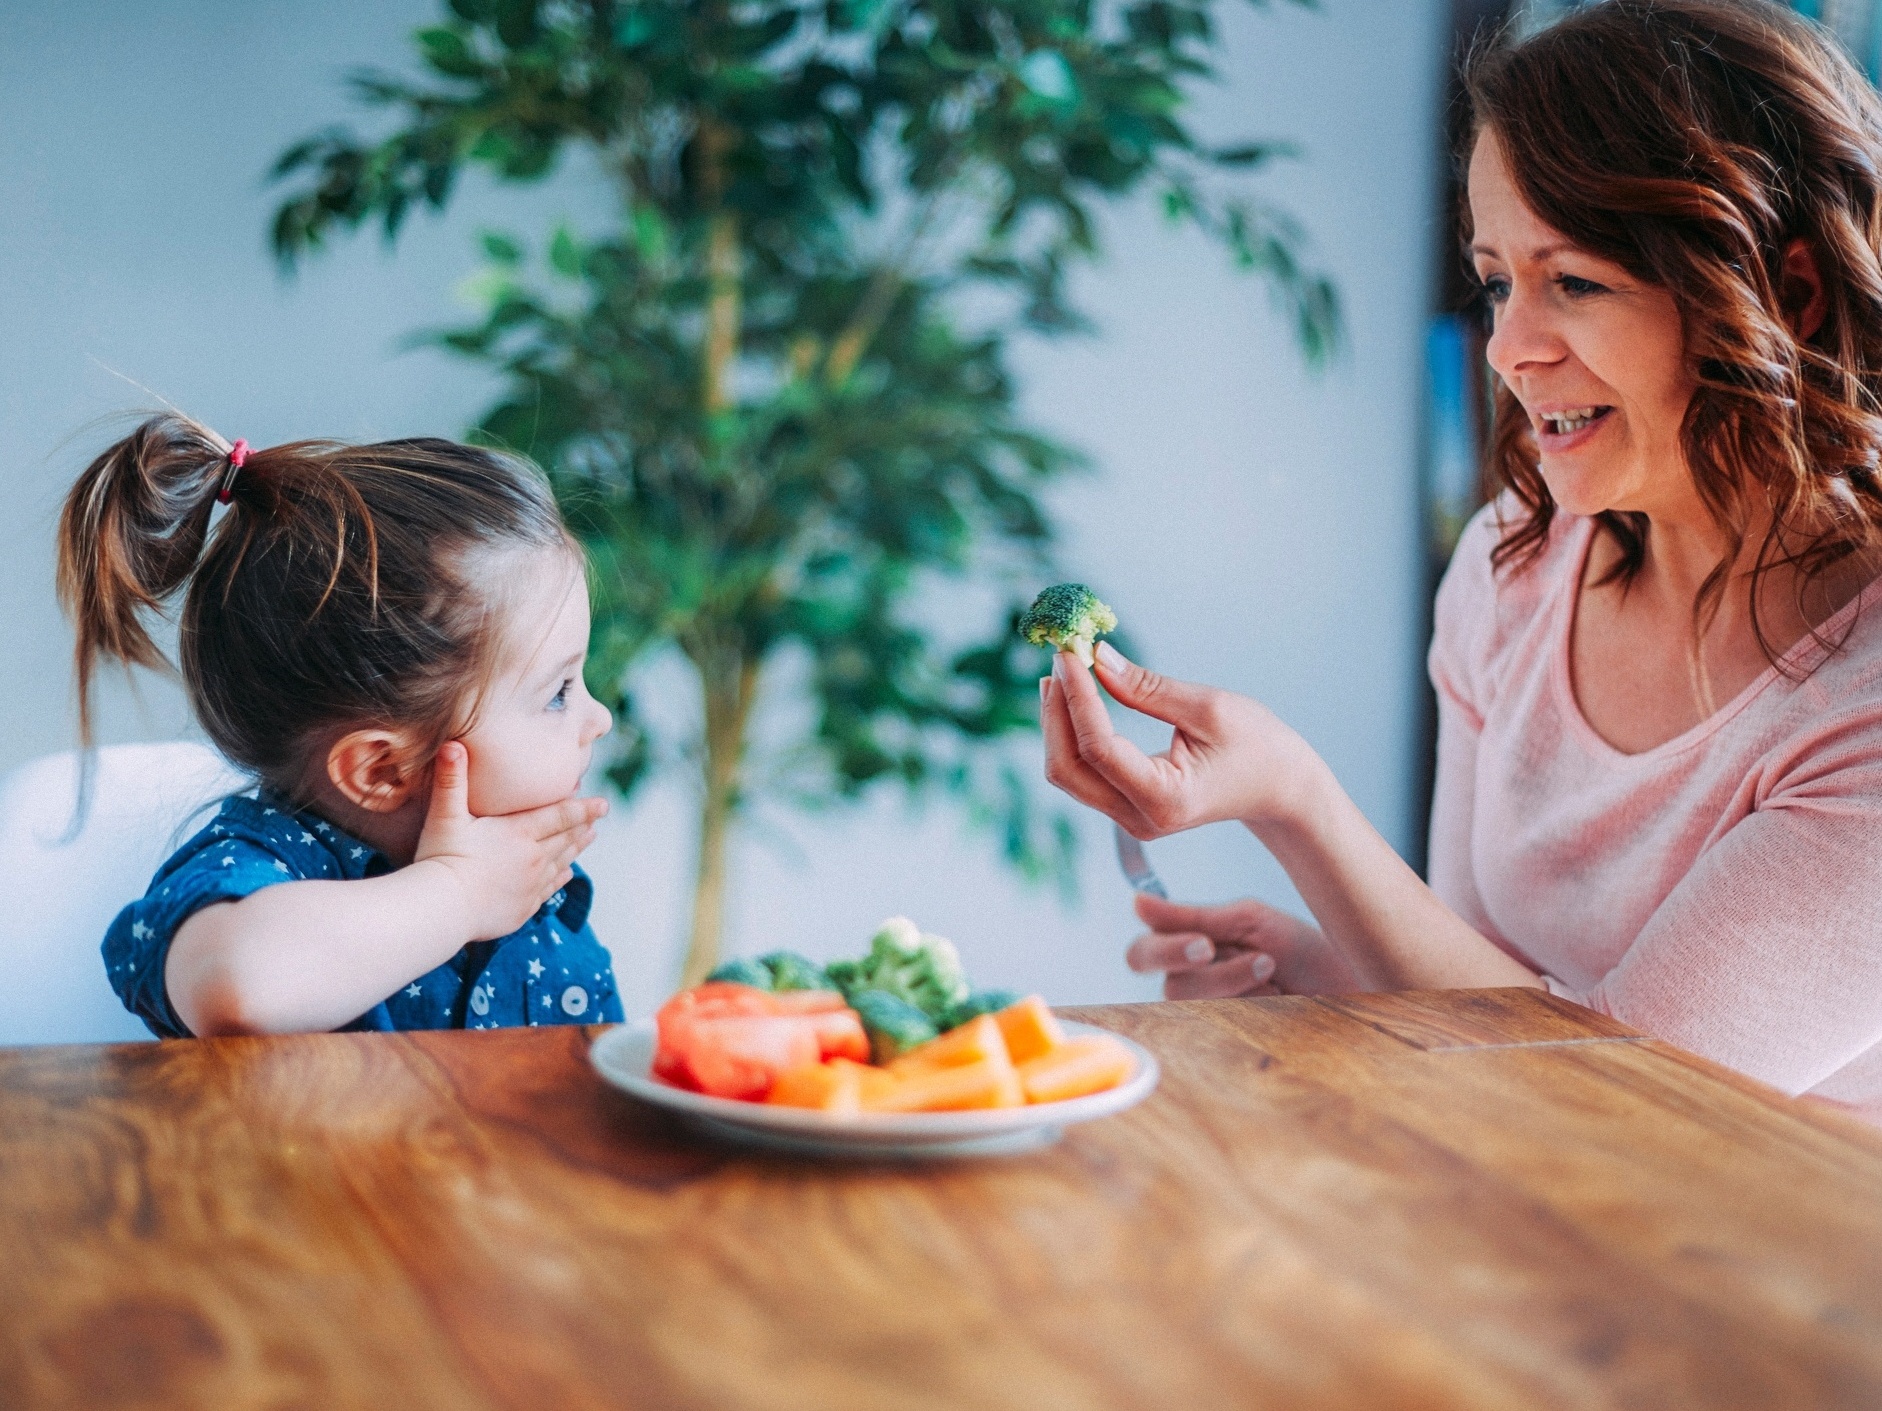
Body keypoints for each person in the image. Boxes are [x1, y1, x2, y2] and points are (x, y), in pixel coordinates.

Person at [1041, 0, 1882, 1119]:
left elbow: (1632, 1109)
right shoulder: (1508, 571)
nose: (1510, 348)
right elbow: (1499, 998)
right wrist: (1320, 966)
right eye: (1496, 282)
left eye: (1571, 281)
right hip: (1539, 1228)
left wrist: (1295, 803)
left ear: (1787, 293)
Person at [61, 414, 618, 1037]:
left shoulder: (532, 894)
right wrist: (457, 893)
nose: (599, 719)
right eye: (558, 692)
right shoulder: (258, 869)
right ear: (382, 769)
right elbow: (240, 986)